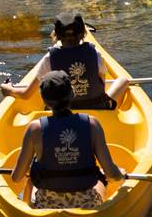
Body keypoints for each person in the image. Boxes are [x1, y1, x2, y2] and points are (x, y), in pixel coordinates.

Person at [9, 71, 126, 209]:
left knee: (31, 180)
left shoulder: (35, 129)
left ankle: (29, 211)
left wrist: (30, 169)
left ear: (44, 100)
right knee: (101, 179)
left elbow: (16, 178)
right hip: (85, 204)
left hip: (47, 205)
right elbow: (112, 174)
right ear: (72, 94)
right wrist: (121, 174)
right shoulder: (92, 124)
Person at [0, 10, 130, 110]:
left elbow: (26, 94)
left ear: (56, 35)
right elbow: (102, 79)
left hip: (63, 112)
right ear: (83, 34)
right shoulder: (95, 54)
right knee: (123, 80)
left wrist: (8, 89)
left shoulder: (49, 59)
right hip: (99, 108)